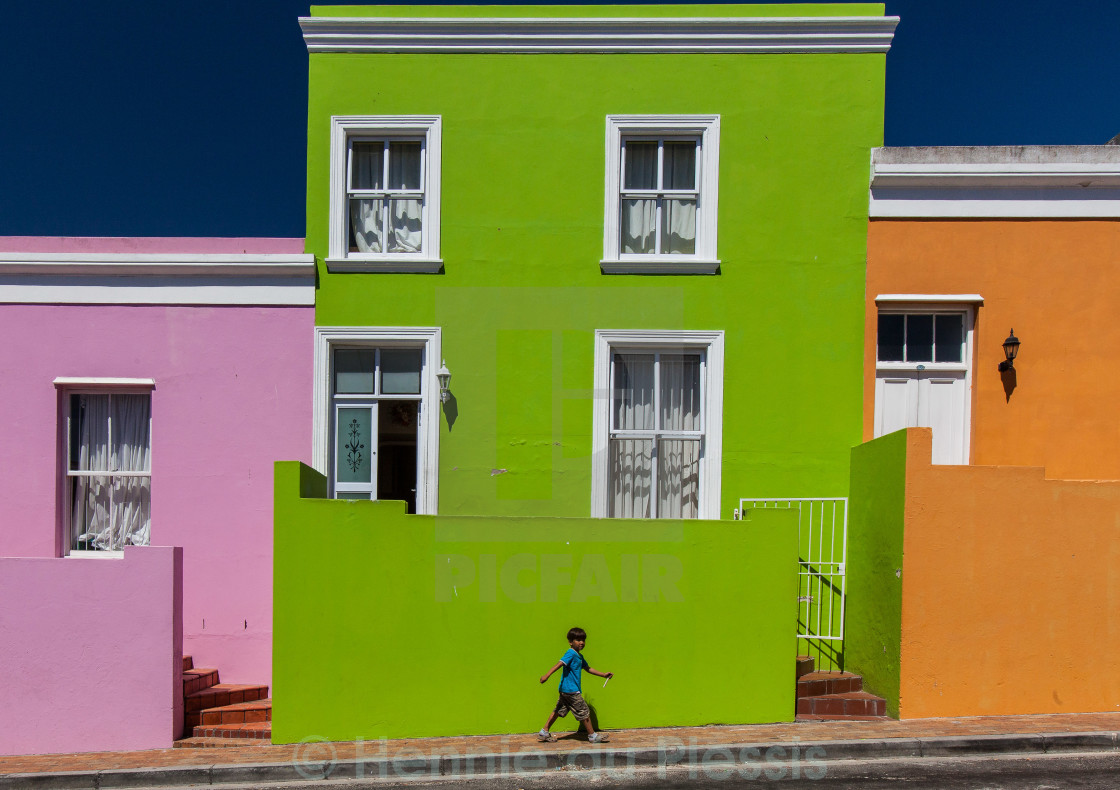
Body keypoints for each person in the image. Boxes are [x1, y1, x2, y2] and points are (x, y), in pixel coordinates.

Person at [537, 626, 613, 742]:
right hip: (571, 690)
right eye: (578, 640)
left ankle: (544, 731)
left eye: (583, 640)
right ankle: (592, 736)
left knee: (559, 710)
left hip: (565, 690)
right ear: (570, 642)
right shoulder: (571, 653)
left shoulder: (579, 656)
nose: (581, 642)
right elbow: (559, 664)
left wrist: (603, 675)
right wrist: (547, 675)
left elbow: (587, 668)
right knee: (584, 710)